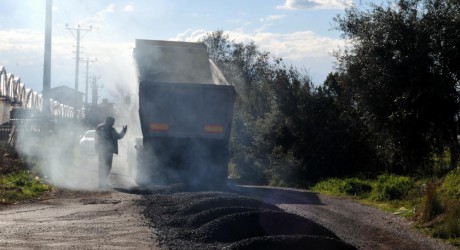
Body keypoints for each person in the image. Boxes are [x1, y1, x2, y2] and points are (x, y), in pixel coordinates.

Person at [95, 116, 127, 188]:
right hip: (108, 151)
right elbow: (118, 136)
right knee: (107, 166)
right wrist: (124, 131)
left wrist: (96, 148)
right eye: (112, 122)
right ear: (109, 121)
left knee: (101, 166)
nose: (113, 123)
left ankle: (101, 182)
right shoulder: (111, 129)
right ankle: (102, 182)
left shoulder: (99, 127)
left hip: (100, 150)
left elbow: (96, 138)